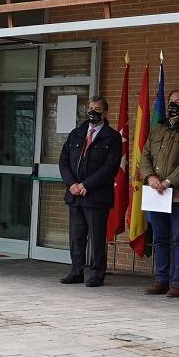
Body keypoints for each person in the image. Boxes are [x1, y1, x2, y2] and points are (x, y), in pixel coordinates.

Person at [139, 88, 179, 298]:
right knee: (159, 238)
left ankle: (178, 283)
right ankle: (161, 279)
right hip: (156, 193)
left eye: (178, 102)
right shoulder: (157, 129)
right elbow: (145, 155)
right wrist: (150, 177)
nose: (173, 105)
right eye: (171, 101)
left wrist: (167, 182)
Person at [57, 96, 123, 287]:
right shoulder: (76, 133)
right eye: (90, 109)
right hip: (74, 193)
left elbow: (110, 167)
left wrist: (87, 185)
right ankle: (76, 271)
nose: (93, 112)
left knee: (96, 237)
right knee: (76, 236)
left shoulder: (112, 137)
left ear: (105, 112)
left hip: (96, 196)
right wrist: (71, 184)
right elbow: (64, 160)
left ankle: (97, 273)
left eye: (97, 109)